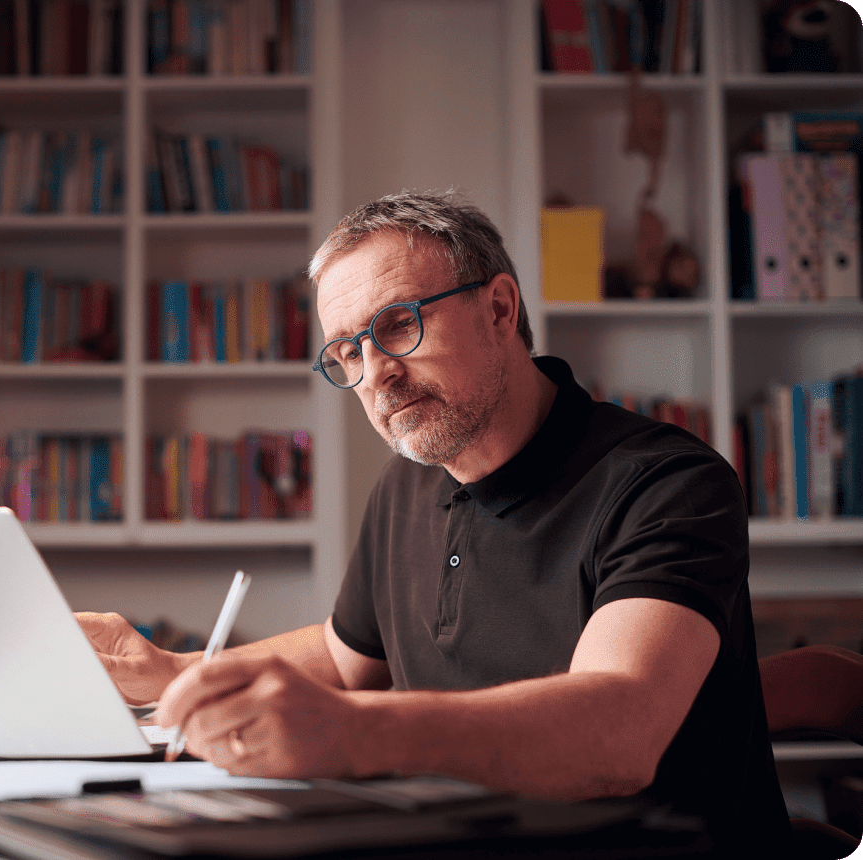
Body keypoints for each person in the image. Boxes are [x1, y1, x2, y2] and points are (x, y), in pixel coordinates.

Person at [77, 192, 792, 855]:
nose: (376, 372)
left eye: (397, 325)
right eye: (348, 350)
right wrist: (174, 672)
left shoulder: (666, 482)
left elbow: (621, 732)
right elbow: (342, 657)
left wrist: (356, 735)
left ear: (499, 311)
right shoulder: (408, 484)